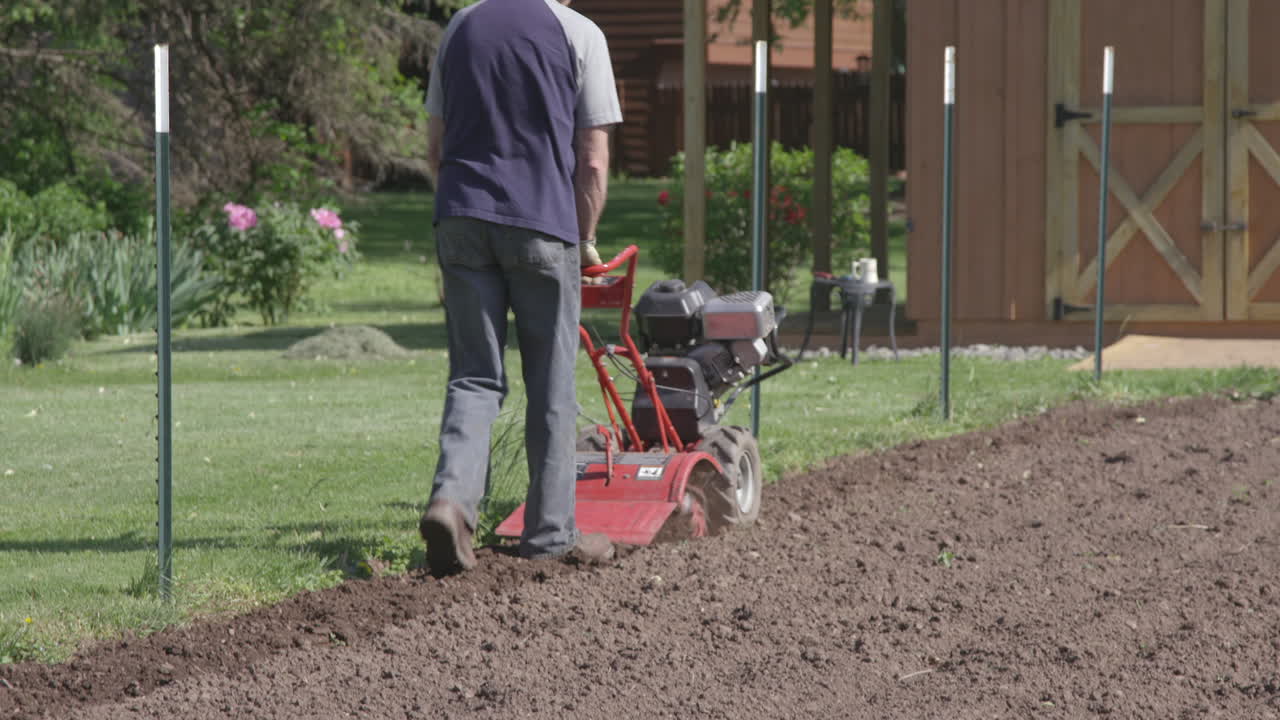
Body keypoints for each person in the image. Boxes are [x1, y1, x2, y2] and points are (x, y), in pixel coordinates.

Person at [419, 0, 621, 574]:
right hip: (542, 224)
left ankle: (452, 502)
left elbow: (435, 147)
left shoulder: (459, 27)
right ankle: (552, 532)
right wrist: (584, 238)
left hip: (459, 218)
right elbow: (594, 161)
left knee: (474, 376)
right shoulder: (580, 33)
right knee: (552, 383)